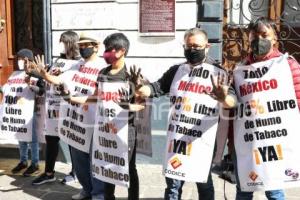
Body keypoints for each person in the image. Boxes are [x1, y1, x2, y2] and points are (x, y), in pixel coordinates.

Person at [136, 28, 236, 200]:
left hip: (202, 140)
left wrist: (224, 97)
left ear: (207, 46)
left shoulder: (218, 73)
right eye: (188, 46)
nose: (192, 50)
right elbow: (157, 88)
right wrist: (141, 88)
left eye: (197, 46)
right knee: (173, 185)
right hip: (177, 138)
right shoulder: (177, 70)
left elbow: (232, 101)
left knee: (203, 183)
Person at [211, 17, 300, 200]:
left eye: (264, 35)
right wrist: (225, 98)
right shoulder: (240, 70)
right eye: (254, 36)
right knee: (243, 190)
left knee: (274, 190)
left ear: (274, 38)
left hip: (276, 142)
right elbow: (233, 102)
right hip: (245, 142)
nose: (259, 40)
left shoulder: (288, 66)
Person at [29, 34, 106, 200]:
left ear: (96, 46)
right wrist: (44, 74)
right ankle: (86, 190)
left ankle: (98, 194)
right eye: (81, 45)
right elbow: (57, 80)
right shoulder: (77, 65)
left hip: (94, 122)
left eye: (87, 45)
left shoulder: (103, 66)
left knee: (95, 161)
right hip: (76, 120)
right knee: (79, 160)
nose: (83, 48)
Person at [32, 30, 80, 185]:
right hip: (52, 107)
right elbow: (47, 79)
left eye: (64, 42)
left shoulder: (79, 62)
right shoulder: (58, 60)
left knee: (72, 141)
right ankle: (49, 173)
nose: (61, 45)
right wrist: (37, 78)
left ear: (71, 43)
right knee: (51, 139)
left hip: (68, 107)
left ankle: (76, 172)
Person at [10, 48, 45, 176]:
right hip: (20, 112)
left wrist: (30, 84)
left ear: (27, 60)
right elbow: (10, 89)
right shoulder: (16, 74)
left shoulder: (36, 73)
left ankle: (34, 163)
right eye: (18, 59)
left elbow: (42, 91)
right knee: (21, 137)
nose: (18, 62)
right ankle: (23, 161)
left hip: (33, 111)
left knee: (33, 139)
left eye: (20, 59)